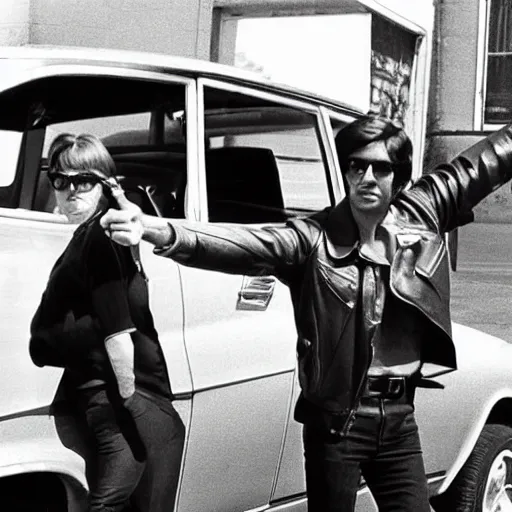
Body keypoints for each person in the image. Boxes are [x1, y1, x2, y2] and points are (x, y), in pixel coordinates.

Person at [100, 116, 512, 511]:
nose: (367, 178)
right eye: (357, 166)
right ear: (346, 172)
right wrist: (156, 229)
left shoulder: (424, 212)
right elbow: (239, 242)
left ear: (398, 177)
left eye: (381, 168)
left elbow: (488, 160)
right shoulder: (311, 240)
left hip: (400, 420)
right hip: (336, 426)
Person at [29, 133, 185, 512]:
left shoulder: (99, 235)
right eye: (60, 182)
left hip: (100, 395)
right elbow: (118, 331)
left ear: (105, 185)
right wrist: (130, 399)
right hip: (114, 395)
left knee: (120, 495)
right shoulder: (100, 238)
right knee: (119, 493)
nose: (69, 192)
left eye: (82, 181)